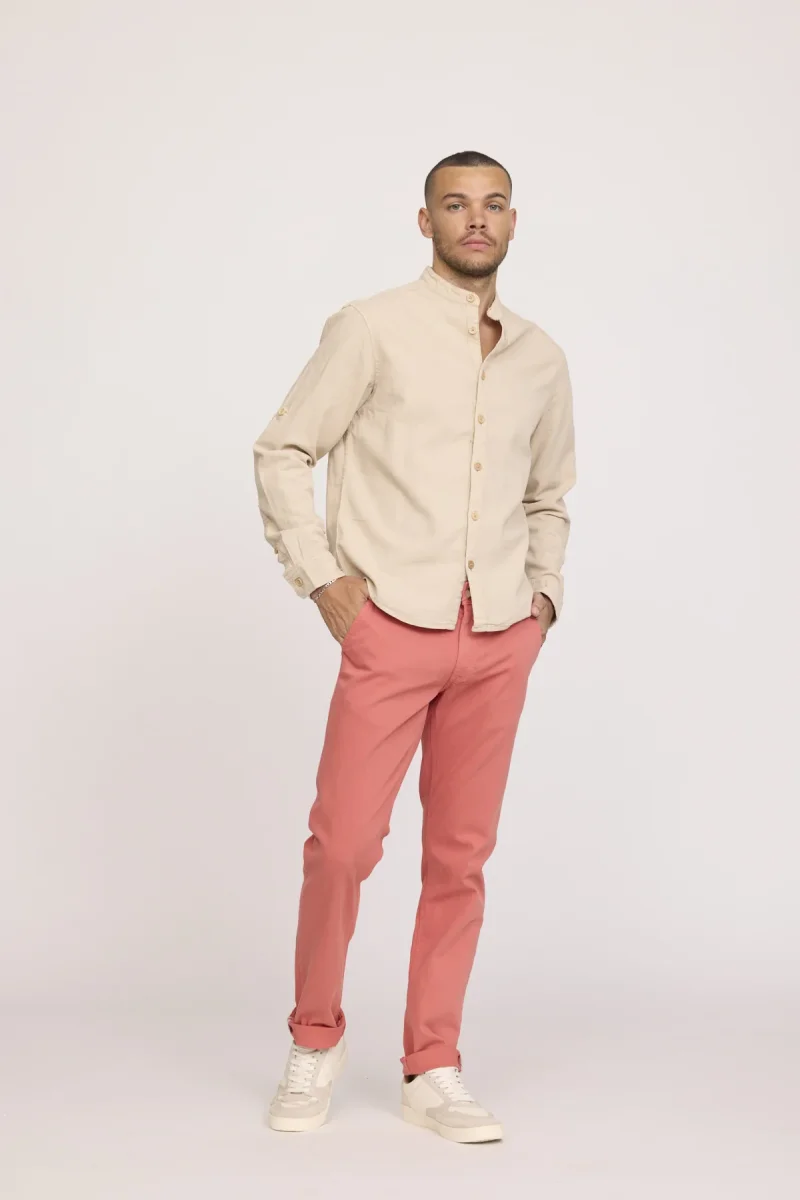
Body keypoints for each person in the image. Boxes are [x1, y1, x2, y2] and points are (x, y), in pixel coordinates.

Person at [252, 149, 576, 1142]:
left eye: (493, 205)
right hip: (390, 624)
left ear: (513, 222)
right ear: (425, 220)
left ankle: (431, 1064)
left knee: (459, 859)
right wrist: (324, 579)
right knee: (343, 846)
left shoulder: (541, 358)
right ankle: (314, 1038)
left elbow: (548, 494)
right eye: (456, 204)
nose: (476, 219)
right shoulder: (370, 328)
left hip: (498, 636)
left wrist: (542, 602)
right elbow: (282, 449)